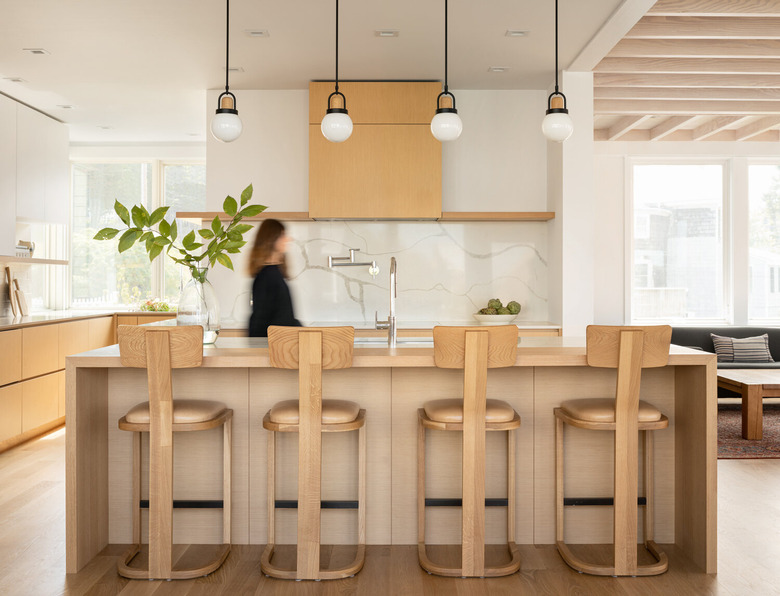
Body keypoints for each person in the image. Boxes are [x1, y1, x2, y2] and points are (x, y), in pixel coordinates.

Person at [247, 219, 301, 337]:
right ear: (271, 238)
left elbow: (283, 315)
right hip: (275, 347)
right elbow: (261, 319)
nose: (288, 239)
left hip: (281, 344)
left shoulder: (274, 273)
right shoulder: (266, 276)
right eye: (283, 235)